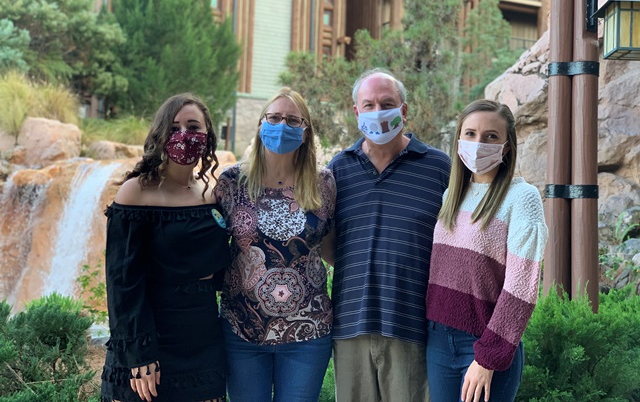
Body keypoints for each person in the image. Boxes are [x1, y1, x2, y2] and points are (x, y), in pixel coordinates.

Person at [326, 68, 451, 402]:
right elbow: (328, 243)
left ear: (404, 110)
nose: (378, 112)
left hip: (412, 324)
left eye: (387, 103)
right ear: (356, 112)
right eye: (369, 105)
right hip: (350, 324)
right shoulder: (337, 170)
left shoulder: (439, 168)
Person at [100, 93, 231, 402]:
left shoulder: (211, 194)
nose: (184, 135)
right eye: (174, 128)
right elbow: (122, 283)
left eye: (193, 127)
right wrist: (139, 353)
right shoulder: (136, 192)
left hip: (202, 340)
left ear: (208, 136)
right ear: (160, 135)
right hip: (151, 341)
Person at [213, 87, 336, 402]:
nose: (282, 126)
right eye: (274, 118)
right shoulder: (231, 182)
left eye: (293, 120)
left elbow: (331, 249)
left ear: (305, 132)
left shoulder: (323, 183)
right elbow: (210, 246)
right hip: (242, 330)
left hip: (308, 332)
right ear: (260, 124)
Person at [425, 99, 548, 402]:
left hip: (485, 344)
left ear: (506, 147)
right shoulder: (451, 196)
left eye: (491, 136)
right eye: (470, 134)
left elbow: (521, 288)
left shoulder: (522, 198)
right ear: (458, 140)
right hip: (439, 340)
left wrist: (487, 358)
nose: (479, 143)